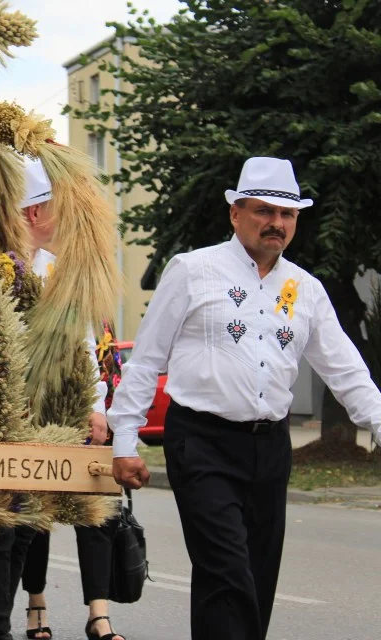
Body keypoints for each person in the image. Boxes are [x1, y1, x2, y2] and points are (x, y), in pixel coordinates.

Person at [108, 156, 381, 640]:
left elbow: (345, 370)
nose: (276, 223)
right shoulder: (193, 270)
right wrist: (124, 441)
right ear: (236, 213)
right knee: (227, 573)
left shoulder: (306, 289)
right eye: (263, 211)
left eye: (287, 215)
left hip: (269, 448)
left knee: (255, 578)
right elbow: (147, 358)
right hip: (202, 442)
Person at [0, 160, 111, 640]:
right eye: (56, 210)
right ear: (33, 212)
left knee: (25, 525)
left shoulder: (57, 270)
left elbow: (83, 343)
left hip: (47, 420)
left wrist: (97, 405)